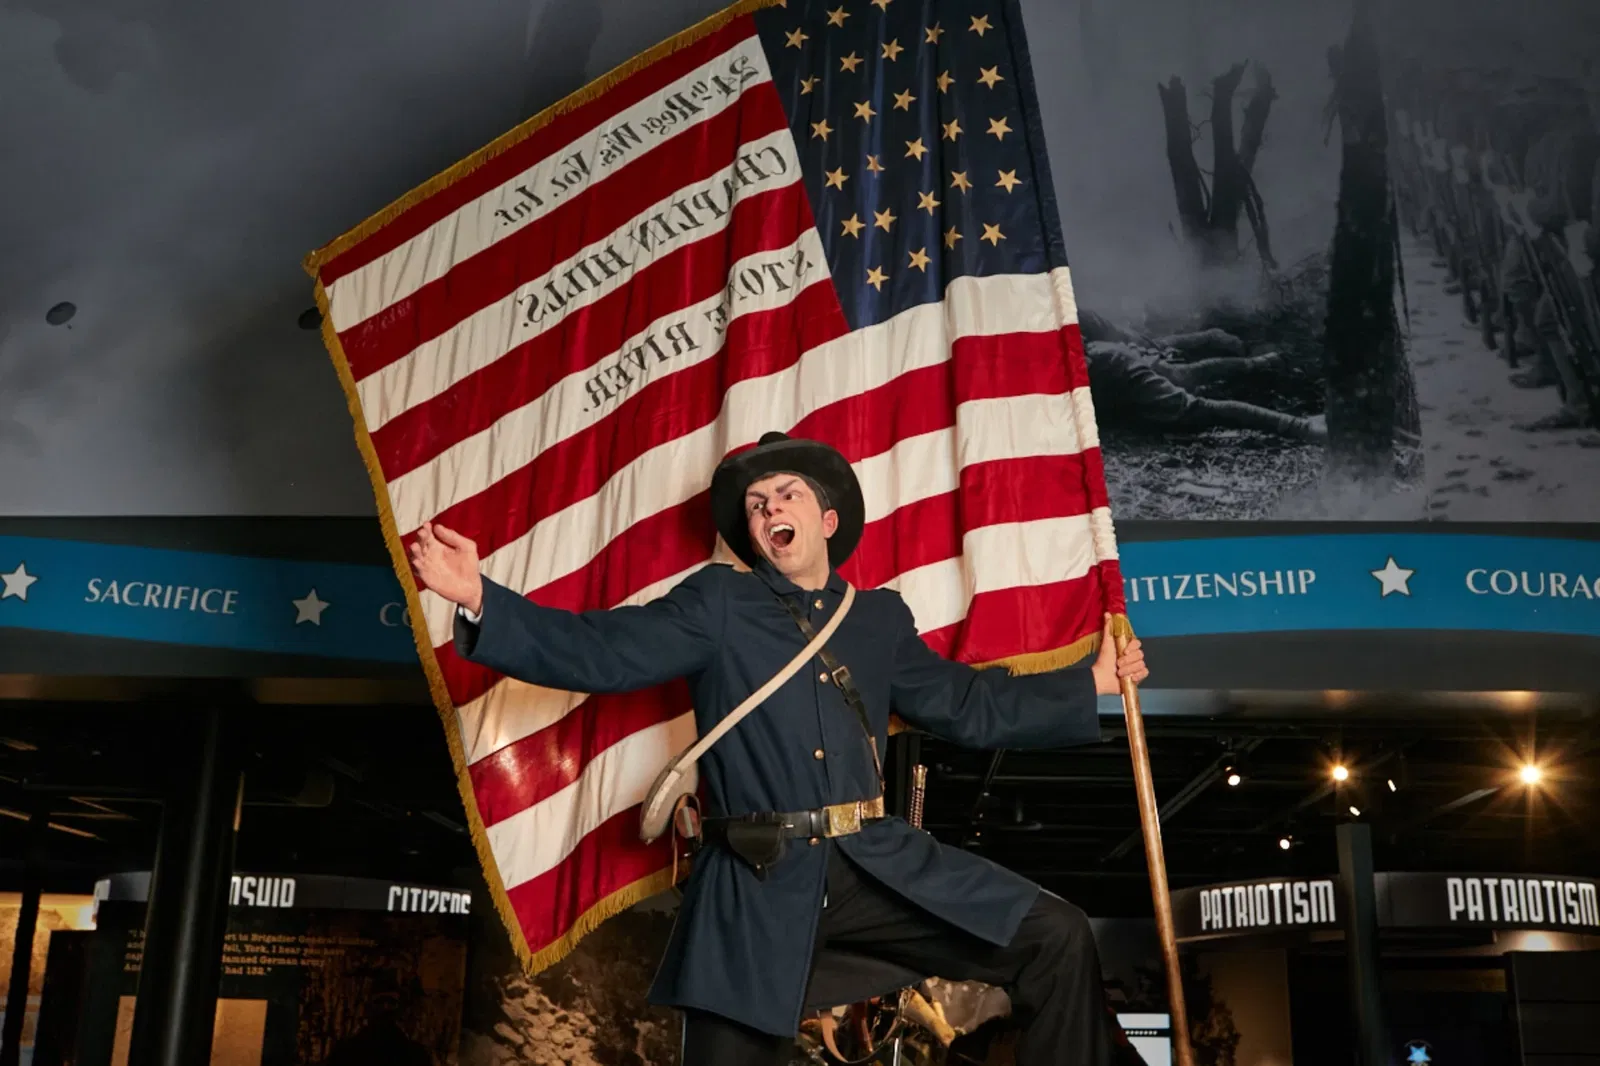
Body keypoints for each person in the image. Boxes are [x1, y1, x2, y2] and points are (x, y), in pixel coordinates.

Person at [409, 431, 1148, 1066]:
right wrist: (482, 596)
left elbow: (967, 704)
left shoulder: (877, 619)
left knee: (1056, 934)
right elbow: (603, 653)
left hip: (872, 868)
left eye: (786, 495)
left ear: (827, 518)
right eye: (757, 506)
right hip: (753, 882)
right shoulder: (718, 603)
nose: (769, 511)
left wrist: (1090, 682)